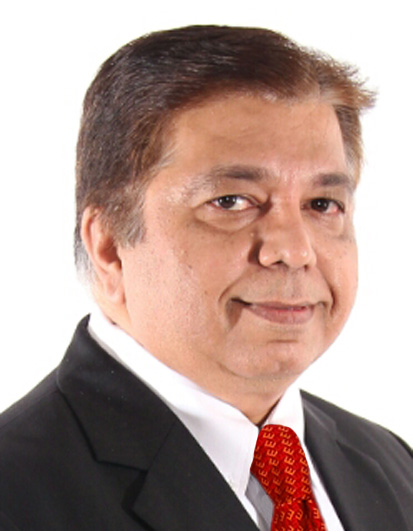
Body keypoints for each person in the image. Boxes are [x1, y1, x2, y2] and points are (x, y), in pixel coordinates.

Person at [0, 25, 411, 531]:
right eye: (231, 202)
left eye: (322, 204)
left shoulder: (391, 466)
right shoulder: (16, 495)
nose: (294, 250)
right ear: (109, 247)